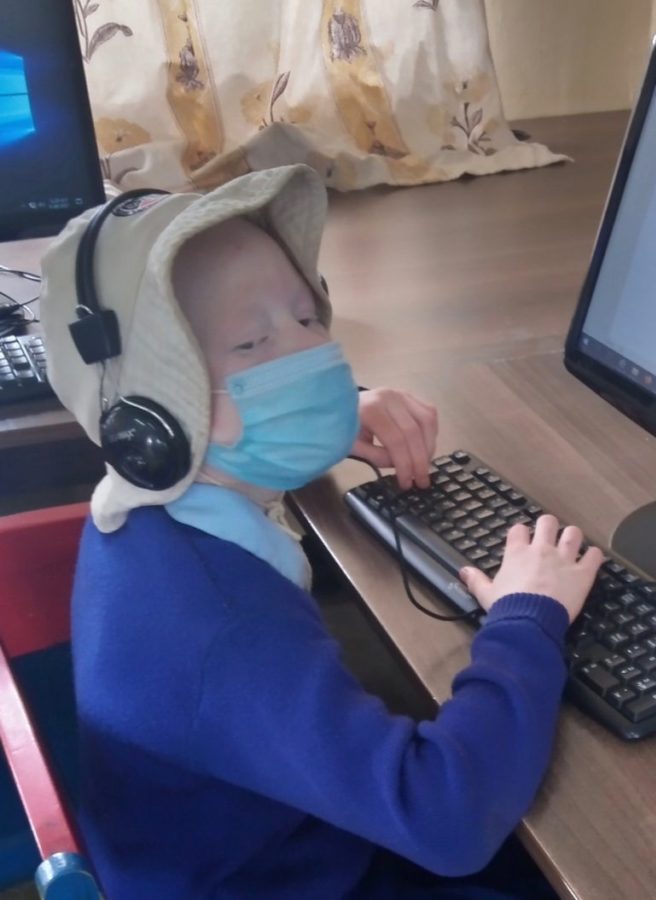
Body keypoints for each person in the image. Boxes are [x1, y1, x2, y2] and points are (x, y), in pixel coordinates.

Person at [38, 165, 603, 899]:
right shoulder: (222, 627)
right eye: (252, 344)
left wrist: (328, 422)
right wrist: (527, 619)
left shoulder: (149, 512)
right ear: (147, 416)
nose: (310, 354)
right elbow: (446, 820)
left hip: (261, 837)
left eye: (306, 317)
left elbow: (230, 436)